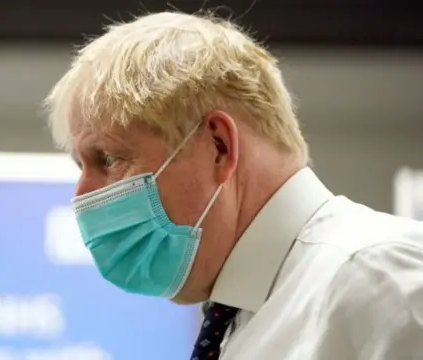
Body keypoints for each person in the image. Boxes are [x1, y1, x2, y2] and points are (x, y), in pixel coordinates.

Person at [42, 11, 423, 360]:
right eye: (80, 166)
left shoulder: (380, 284)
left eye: (108, 158)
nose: (82, 195)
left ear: (219, 146)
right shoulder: (244, 320)